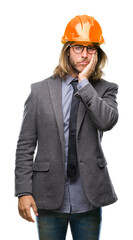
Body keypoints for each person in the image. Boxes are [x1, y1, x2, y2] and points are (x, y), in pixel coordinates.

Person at [15, 15, 119, 240]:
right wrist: (23, 191)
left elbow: (107, 122)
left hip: (88, 199)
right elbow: (25, 146)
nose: (84, 54)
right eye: (78, 47)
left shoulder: (105, 90)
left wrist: (83, 82)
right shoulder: (40, 91)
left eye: (91, 49)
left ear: (98, 54)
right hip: (49, 197)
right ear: (67, 50)